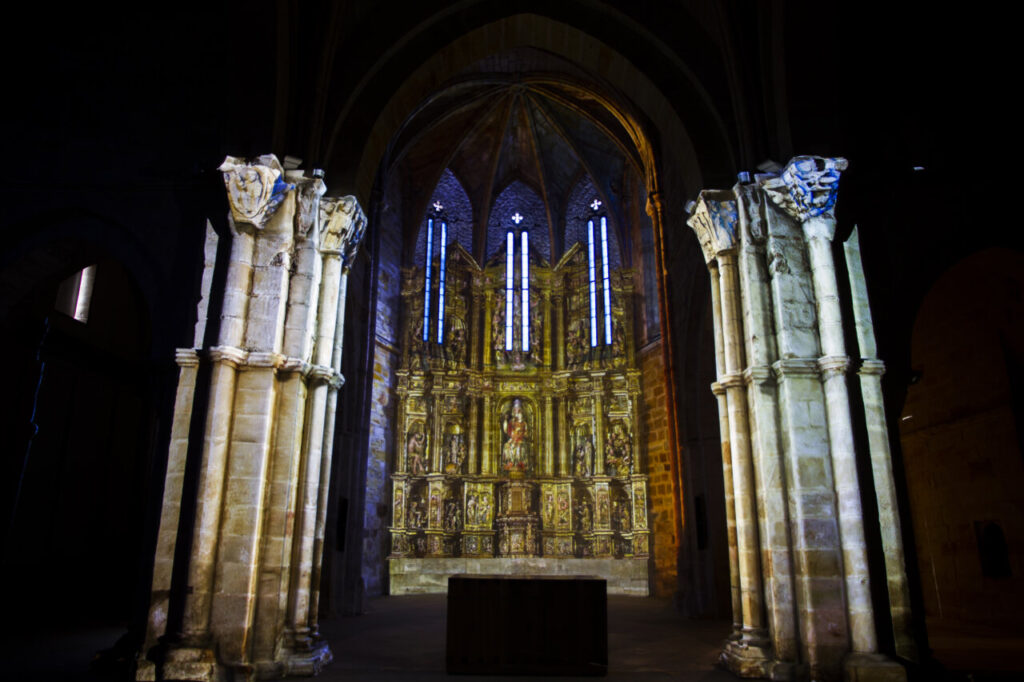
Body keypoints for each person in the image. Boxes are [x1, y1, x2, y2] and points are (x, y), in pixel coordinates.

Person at [501, 398, 529, 471]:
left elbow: (526, 434)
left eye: (518, 411)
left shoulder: (523, 423)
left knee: (519, 447)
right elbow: (507, 431)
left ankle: (519, 463)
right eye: (515, 411)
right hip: (513, 440)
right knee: (506, 446)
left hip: (520, 440)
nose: (517, 413)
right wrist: (505, 421)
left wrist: (521, 433)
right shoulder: (512, 422)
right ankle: (509, 463)